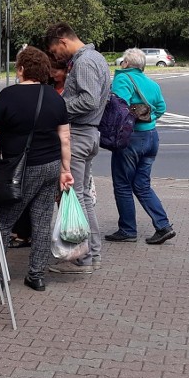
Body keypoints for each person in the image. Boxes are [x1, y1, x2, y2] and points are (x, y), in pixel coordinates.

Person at [0, 46, 73, 292]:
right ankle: (37, 275)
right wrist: (65, 169)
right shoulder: (54, 97)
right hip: (50, 165)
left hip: (20, 169)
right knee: (41, 221)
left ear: (21, 69)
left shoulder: (8, 96)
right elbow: (65, 138)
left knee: (4, 220)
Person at [44, 23, 111, 274]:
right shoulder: (95, 59)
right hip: (89, 133)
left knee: (76, 196)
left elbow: (90, 99)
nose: (55, 57)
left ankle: (84, 258)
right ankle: (91, 254)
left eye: (54, 50)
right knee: (82, 197)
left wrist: (58, 107)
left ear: (63, 41)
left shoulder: (84, 62)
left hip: (80, 133)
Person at [105, 48, 175, 245]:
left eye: (122, 62)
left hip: (131, 139)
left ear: (126, 64)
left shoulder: (123, 79)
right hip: (152, 136)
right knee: (142, 185)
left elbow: (119, 107)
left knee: (122, 184)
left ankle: (127, 229)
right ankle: (163, 226)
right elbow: (161, 107)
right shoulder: (152, 84)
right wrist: (149, 118)